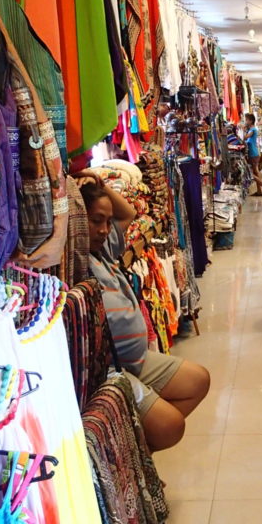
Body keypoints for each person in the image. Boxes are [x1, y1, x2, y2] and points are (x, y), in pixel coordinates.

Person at [77, 173, 210, 451]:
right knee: (171, 427)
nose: (104, 229)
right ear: (78, 220)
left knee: (198, 380)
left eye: (106, 221)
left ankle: (134, 454)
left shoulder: (104, 249)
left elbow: (127, 213)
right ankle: (133, 460)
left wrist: (100, 185)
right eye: (95, 220)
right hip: (112, 368)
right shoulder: (76, 259)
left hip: (136, 359)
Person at [243, 112, 262, 196]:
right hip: (253, 152)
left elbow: (245, 137)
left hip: (253, 153)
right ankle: (259, 191)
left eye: (247, 120)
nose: (246, 121)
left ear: (251, 121)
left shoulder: (253, 130)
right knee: (255, 172)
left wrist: (243, 130)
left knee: (252, 173)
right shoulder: (251, 129)